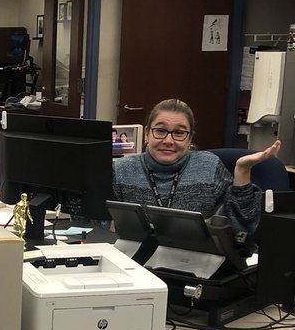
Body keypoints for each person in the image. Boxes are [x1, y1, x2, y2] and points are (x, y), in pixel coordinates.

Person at [112, 98, 280, 236]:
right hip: (136, 264)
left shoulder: (209, 166)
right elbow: (101, 227)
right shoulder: (122, 170)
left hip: (196, 265)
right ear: (148, 134)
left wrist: (242, 171)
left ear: (190, 138)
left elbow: (242, 227)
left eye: (179, 133)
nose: (168, 141)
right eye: (160, 131)